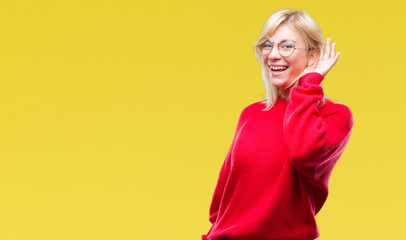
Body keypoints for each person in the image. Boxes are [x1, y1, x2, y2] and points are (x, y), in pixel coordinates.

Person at [202, 9, 354, 240]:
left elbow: (304, 153)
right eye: (267, 45)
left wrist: (310, 83)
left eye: (286, 46)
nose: (273, 55)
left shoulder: (334, 116)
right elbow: (224, 190)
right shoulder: (252, 113)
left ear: (313, 56)